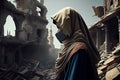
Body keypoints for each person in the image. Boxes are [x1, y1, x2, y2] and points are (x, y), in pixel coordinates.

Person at [51, 7, 100, 80]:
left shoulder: (79, 52)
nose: (58, 32)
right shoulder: (68, 49)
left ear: (69, 25)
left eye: (59, 27)